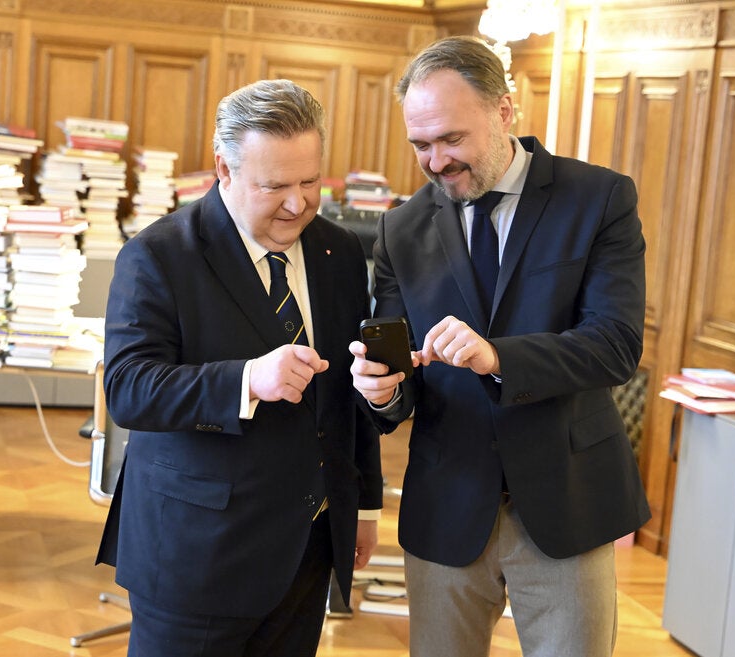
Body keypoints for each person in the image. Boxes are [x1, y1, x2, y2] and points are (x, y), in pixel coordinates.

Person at [350, 36, 650, 657]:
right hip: (446, 502)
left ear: (504, 111)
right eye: (420, 145)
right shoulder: (399, 228)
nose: (435, 162)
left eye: (451, 139)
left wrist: (498, 358)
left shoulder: (598, 200)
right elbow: (398, 375)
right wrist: (381, 391)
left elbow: (615, 345)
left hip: (568, 501)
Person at [97, 79, 383, 657]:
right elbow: (128, 389)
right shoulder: (158, 255)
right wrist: (248, 379)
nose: (298, 203)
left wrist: (365, 504)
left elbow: (348, 395)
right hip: (196, 555)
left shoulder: (340, 251)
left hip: (309, 544)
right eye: (275, 186)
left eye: (310, 182)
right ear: (223, 169)